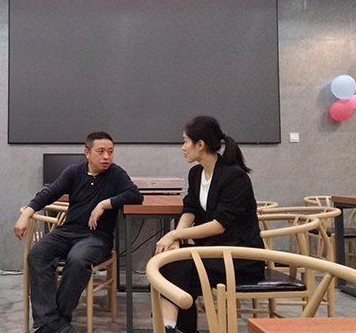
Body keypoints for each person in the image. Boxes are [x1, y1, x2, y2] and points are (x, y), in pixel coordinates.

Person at [14, 131, 143, 333]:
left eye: (110, 152)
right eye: (101, 151)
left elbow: (135, 195)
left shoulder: (116, 174)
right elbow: (49, 193)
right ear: (87, 153)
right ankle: (52, 322)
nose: (106, 157)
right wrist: (26, 214)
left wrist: (104, 204)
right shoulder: (73, 172)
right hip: (67, 231)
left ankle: (55, 321)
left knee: (78, 259)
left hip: (96, 237)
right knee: (37, 254)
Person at [154, 116, 264, 333]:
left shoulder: (234, 176)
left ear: (200, 144)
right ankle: (172, 327)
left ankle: (171, 327)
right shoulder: (196, 173)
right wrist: (176, 240)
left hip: (240, 257)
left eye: (185, 141)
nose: (183, 147)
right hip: (212, 252)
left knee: (175, 270)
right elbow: (190, 209)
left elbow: (219, 225)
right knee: (166, 261)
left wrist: (174, 236)